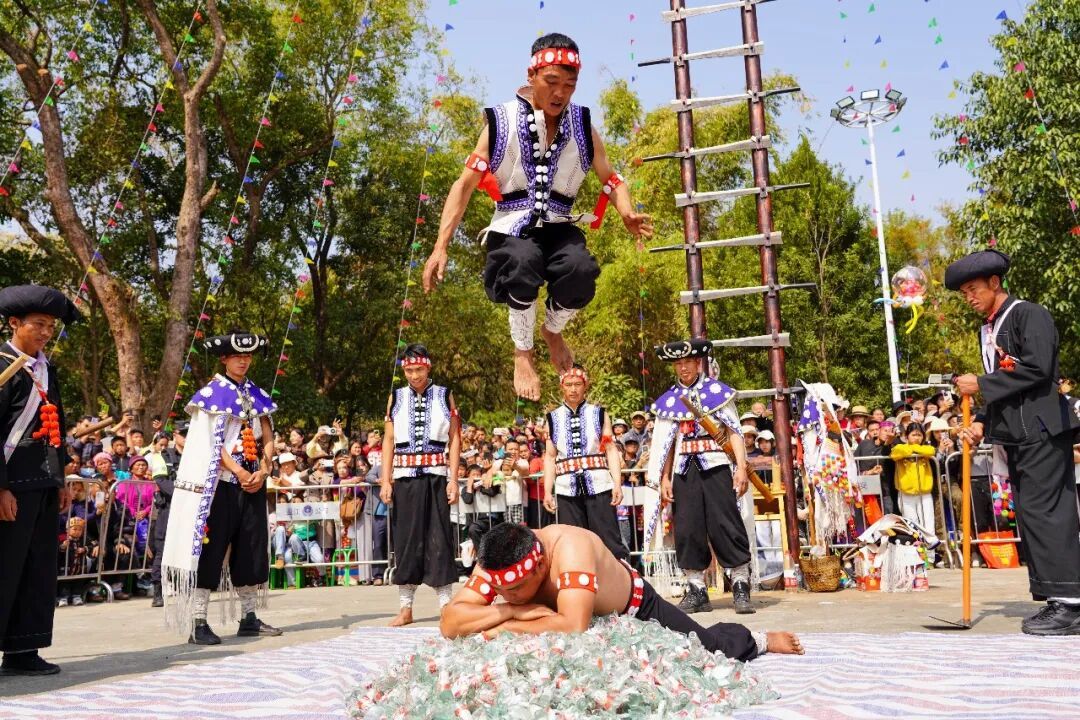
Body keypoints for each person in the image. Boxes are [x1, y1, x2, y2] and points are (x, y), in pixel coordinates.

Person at [421, 32, 653, 401]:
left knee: (581, 269)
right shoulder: (501, 122)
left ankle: (552, 330)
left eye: (569, 85)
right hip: (512, 225)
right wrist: (440, 246)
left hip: (560, 226)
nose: (560, 93)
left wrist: (626, 211)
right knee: (522, 261)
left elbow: (611, 178)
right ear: (531, 76)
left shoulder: (583, 126)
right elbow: (464, 185)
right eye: (552, 82)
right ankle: (523, 351)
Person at [946, 249, 1080, 635]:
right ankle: (1057, 597)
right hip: (1018, 435)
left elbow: (1038, 368)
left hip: (1042, 430)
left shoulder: (1028, 314)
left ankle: (1072, 603)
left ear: (995, 282)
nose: (969, 298)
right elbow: (1007, 384)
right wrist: (981, 423)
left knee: (1048, 513)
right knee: (1031, 514)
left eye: (974, 289)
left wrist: (981, 383)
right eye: (964, 293)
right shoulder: (988, 330)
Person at [441, 523, 803, 660]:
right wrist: (511, 610)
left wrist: (501, 625)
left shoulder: (570, 547)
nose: (510, 594)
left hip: (637, 609)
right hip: (562, 621)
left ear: (539, 566)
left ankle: (757, 640)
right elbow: (450, 622)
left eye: (518, 589)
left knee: (708, 649)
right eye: (501, 591)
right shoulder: (499, 559)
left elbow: (572, 625)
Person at [161, 330, 282, 646]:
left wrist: (264, 468)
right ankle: (198, 620)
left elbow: (267, 434)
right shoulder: (211, 394)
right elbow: (210, 444)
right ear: (225, 359)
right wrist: (239, 471)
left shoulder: (256, 393)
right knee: (210, 550)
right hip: (220, 486)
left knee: (251, 549)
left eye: (247, 357)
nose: (243, 362)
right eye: (237, 357)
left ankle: (249, 617)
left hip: (253, 483)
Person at [0, 285, 78, 676]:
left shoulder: (47, 370)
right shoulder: (4, 366)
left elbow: (56, 427)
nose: (46, 332)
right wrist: (1, 487)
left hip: (43, 483)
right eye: (39, 324)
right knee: (4, 567)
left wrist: (60, 480)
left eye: (51, 326)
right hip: (11, 486)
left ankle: (23, 649)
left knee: (37, 569)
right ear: (14, 323)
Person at [646, 340, 755, 615]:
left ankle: (740, 583)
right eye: (678, 363)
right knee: (688, 527)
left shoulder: (717, 392)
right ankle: (696, 589)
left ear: (698, 363)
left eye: (688, 362)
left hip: (716, 464)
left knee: (725, 523)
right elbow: (668, 443)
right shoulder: (669, 400)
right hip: (684, 469)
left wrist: (741, 467)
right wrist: (665, 477)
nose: (683, 368)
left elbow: (734, 432)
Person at [380, 343, 461, 627]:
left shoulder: (444, 394)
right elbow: (388, 440)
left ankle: (446, 605)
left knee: (439, 538)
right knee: (406, 540)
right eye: (409, 370)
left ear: (428, 367)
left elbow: (455, 439)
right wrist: (385, 479)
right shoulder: (396, 397)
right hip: (404, 477)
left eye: (419, 369)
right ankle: (406, 608)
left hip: (436, 475)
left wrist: (453, 479)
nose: (414, 375)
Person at [542, 365, 626, 560]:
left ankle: (621, 575)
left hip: (599, 484)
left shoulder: (599, 413)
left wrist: (617, 483)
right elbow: (550, 457)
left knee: (608, 538)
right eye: (569, 384)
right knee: (573, 541)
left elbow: (611, 449)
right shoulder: (552, 418)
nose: (573, 389)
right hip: (566, 488)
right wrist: (547, 491)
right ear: (562, 387)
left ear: (585, 386)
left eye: (577, 384)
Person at [889, 423, 938, 561]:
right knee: (911, 524)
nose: (917, 438)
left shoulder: (925, 448)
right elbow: (896, 453)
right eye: (913, 435)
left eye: (919, 435)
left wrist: (915, 449)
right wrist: (914, 449)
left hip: (924, 493)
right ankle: (915, 556)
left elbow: (931, 451)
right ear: (906, 436)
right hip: (906, 493)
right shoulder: (900, 447)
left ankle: (930, 557)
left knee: (928, 523)